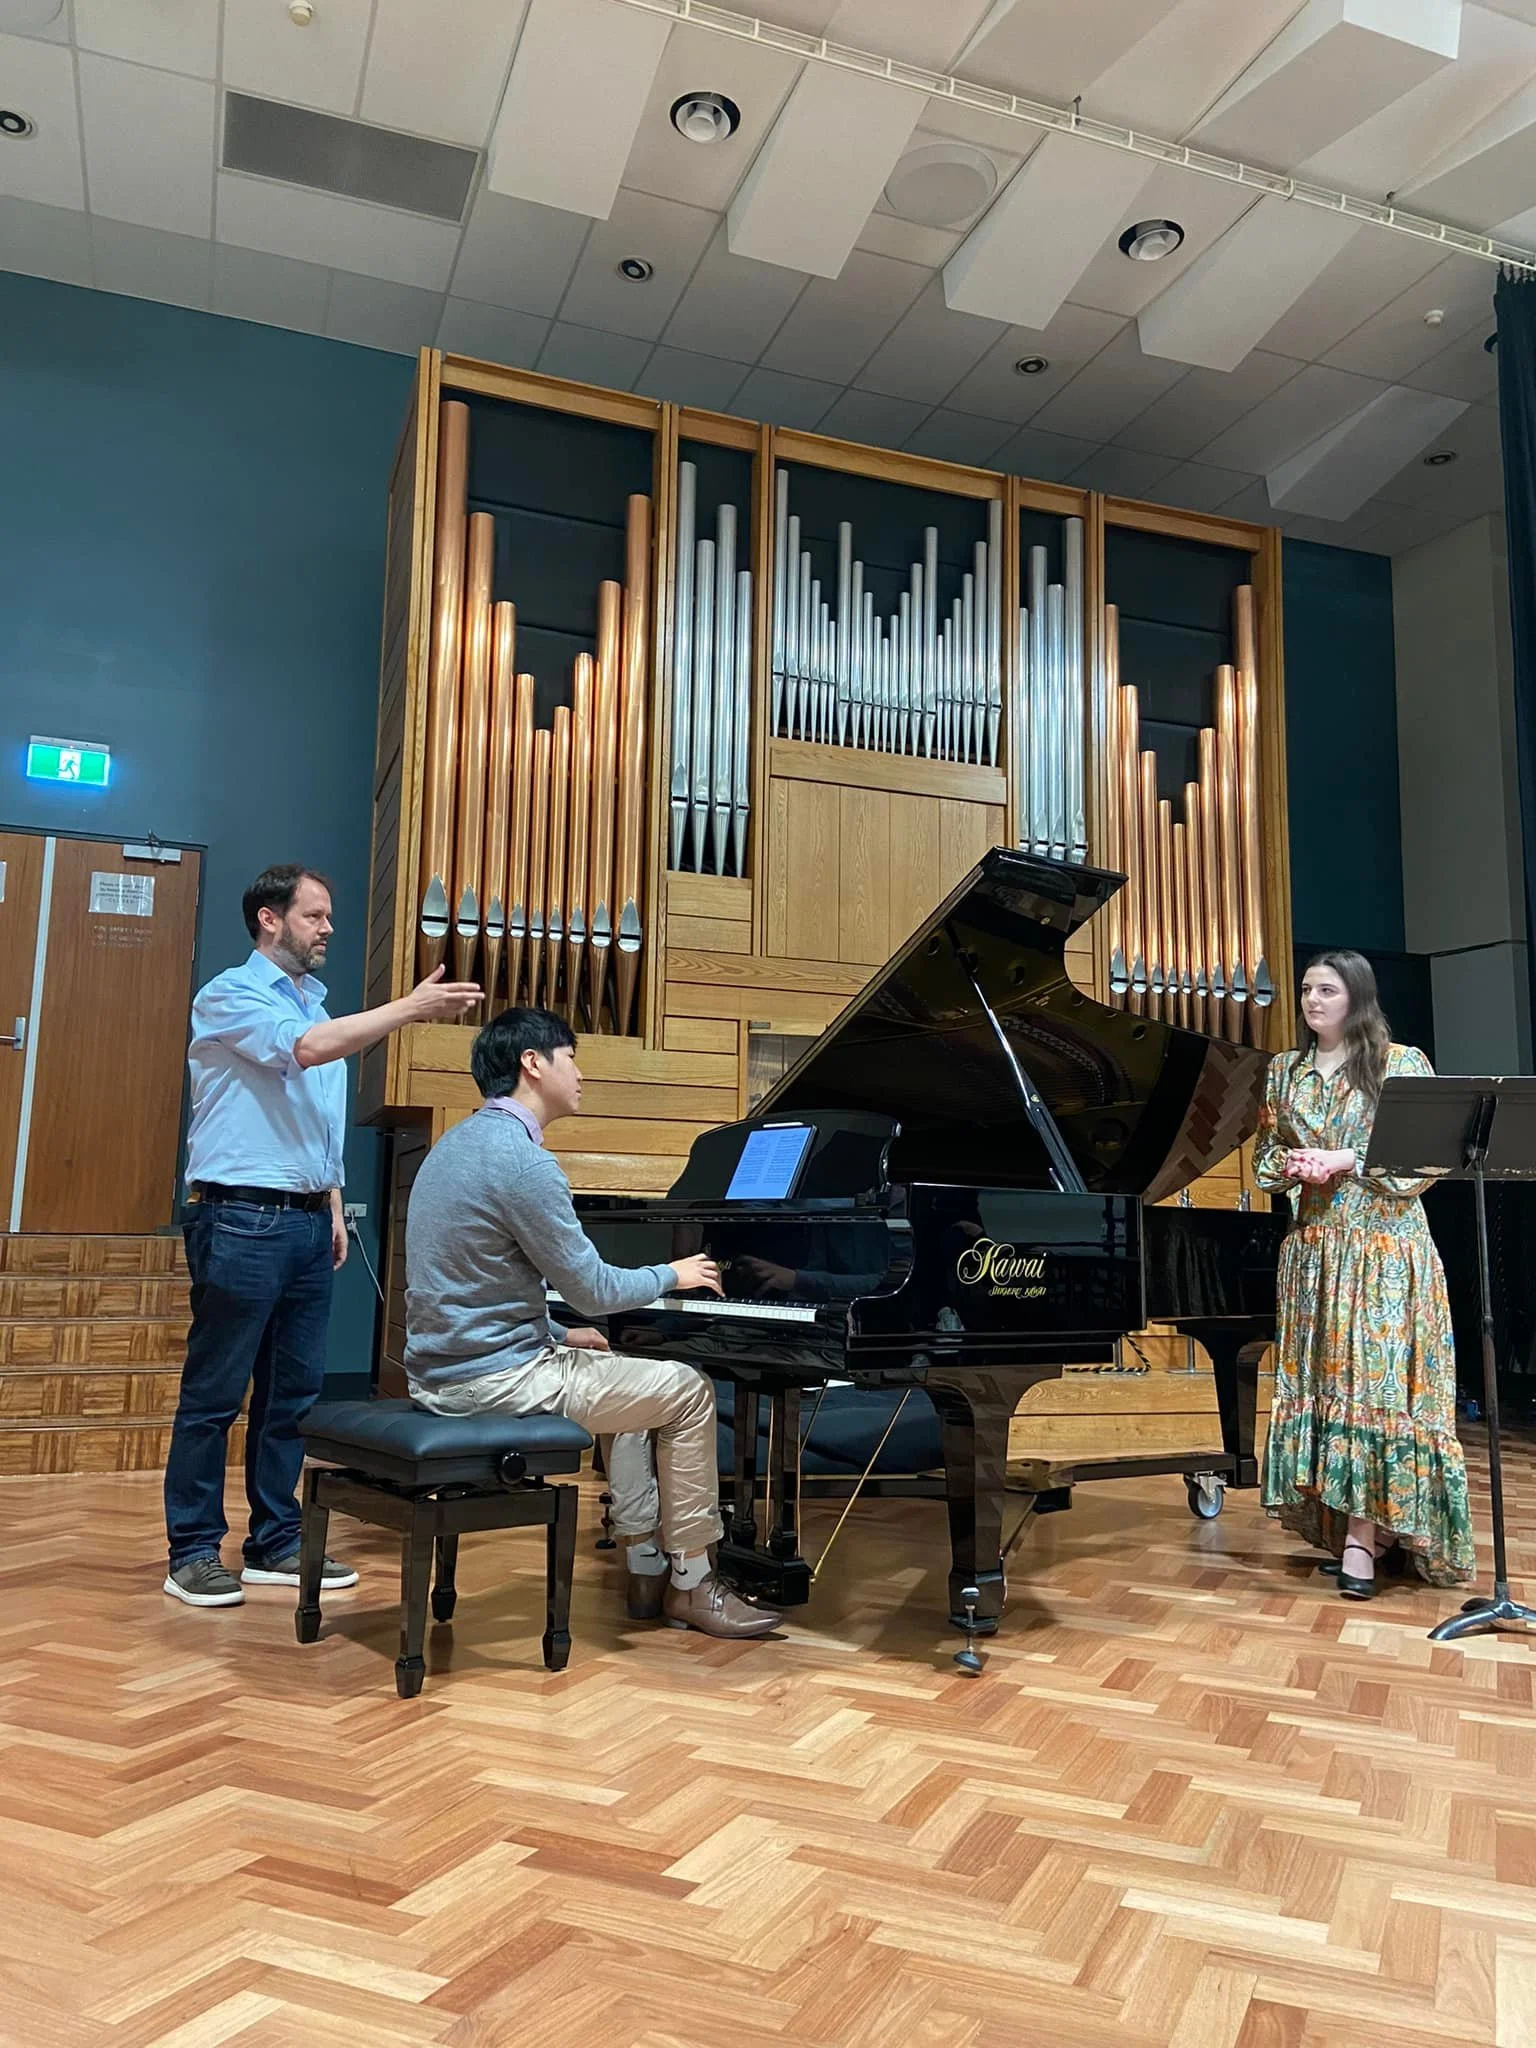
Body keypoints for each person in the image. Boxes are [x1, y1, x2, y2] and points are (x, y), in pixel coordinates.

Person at [404, 1006, 781, 1641]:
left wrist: (554, 1334)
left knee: (629, 1380)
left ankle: (641, 1566)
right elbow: (596, 1290)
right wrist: (674, 1274)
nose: (579, 1072)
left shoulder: (453, 1148)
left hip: (442, 1373)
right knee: (686, 1391)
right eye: (571, 1057)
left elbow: (465, 1289)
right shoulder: (523, 1163)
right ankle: (694, 1583)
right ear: (534, 1063)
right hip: (495, 1383)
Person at [163, 864, 480, 1607]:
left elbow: (315, 1123)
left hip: (306, 1222)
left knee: (292, 1397)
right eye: (315, 916)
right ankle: (192, 1552)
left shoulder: (317, 1004)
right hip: (239, 1217)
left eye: (330, 916)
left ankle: (275, 1539)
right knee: (215, 1395)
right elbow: (302, 1051)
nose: (329, 928)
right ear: (270, 919)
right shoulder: (231, 995)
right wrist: (408, 1008)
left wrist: (333, 1204)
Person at [1257, 950, 1476, 1598]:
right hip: (1315, 1254)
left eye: (1327, 989)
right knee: (1330, 1388)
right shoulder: (1284, 1071)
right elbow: (1265, 1157)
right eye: (1305, 989)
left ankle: (1364, 1537)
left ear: (1357, 996)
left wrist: (1348, 1159)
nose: (1312, 1000)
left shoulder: (1401, 1063)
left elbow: (1429, 1157)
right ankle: (1358, 1526)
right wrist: (1292, 1166)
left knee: (1375, 1388)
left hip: (1384, 1250)